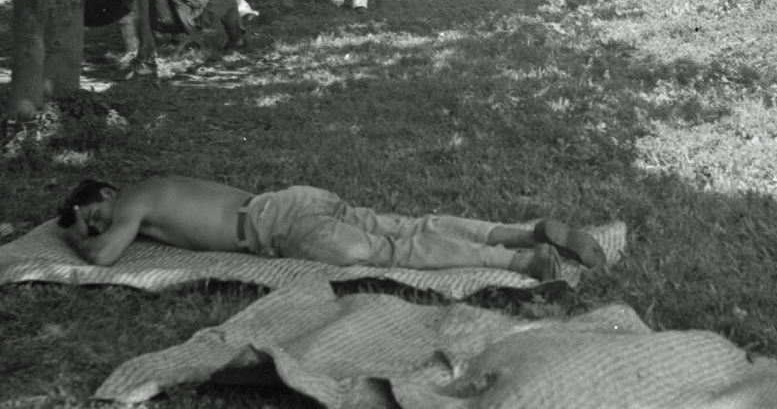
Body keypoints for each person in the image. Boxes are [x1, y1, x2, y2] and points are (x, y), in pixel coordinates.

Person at [56, 177, 609, 282]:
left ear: (106, 194)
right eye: (89, 223)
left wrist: (74, 238)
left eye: (93, 215)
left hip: (277, 227)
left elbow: (104, 257)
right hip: (295, 200)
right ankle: (526, 231)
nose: (98, 225)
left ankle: (519, 263)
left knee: (396, 251)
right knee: (415, 224)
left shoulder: (132, 199)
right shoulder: (154, 192)